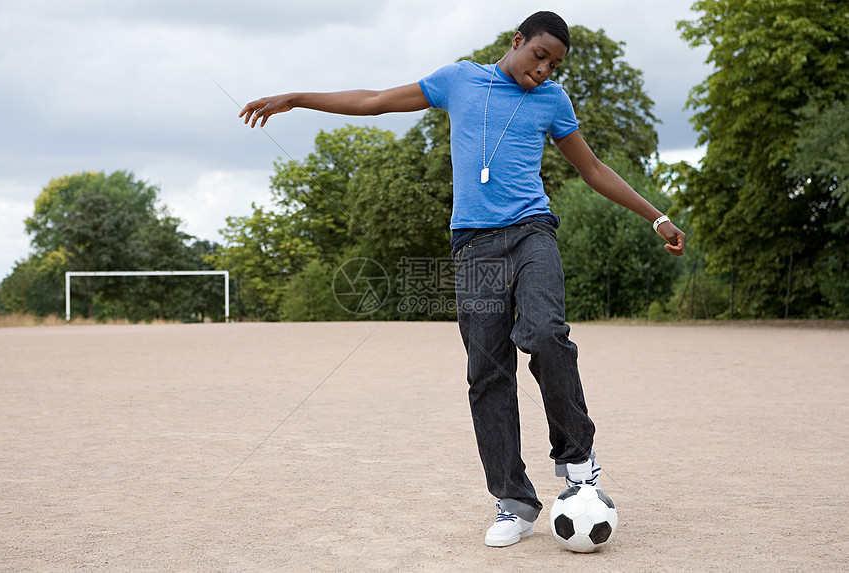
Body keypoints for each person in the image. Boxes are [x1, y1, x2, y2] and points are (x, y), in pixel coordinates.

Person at [240, 10, 685, 548]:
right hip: (473, 245)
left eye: (555, 64)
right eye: (539, 55)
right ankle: (514, 501)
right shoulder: (459, 81)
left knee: (546, 335)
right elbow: (376, 100)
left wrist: (655, 215)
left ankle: (578, 458)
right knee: (487, 372)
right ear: (516, 41)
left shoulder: (553, 102)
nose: (544, 69)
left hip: (531, 232)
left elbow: (592, 170)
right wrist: (296, 98)